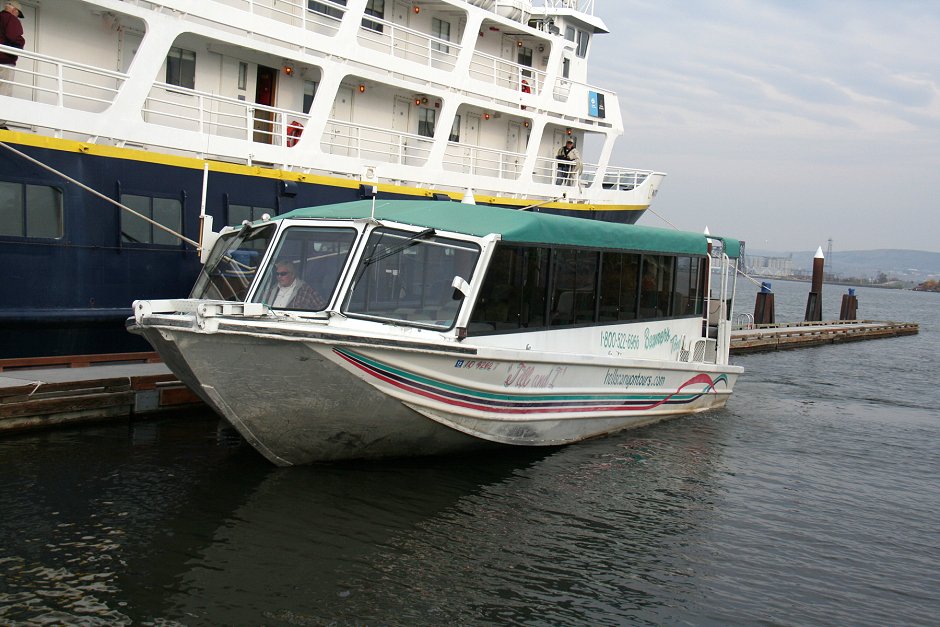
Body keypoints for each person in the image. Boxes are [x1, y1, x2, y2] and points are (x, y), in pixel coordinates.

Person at [0, 0, 25, 129]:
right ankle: (0, 123)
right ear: (14, 10)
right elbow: (14, 37)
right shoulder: (11, 19)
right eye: (17, 13)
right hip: (4, 60)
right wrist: (21, 42)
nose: (16, 16)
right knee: (4, 92)